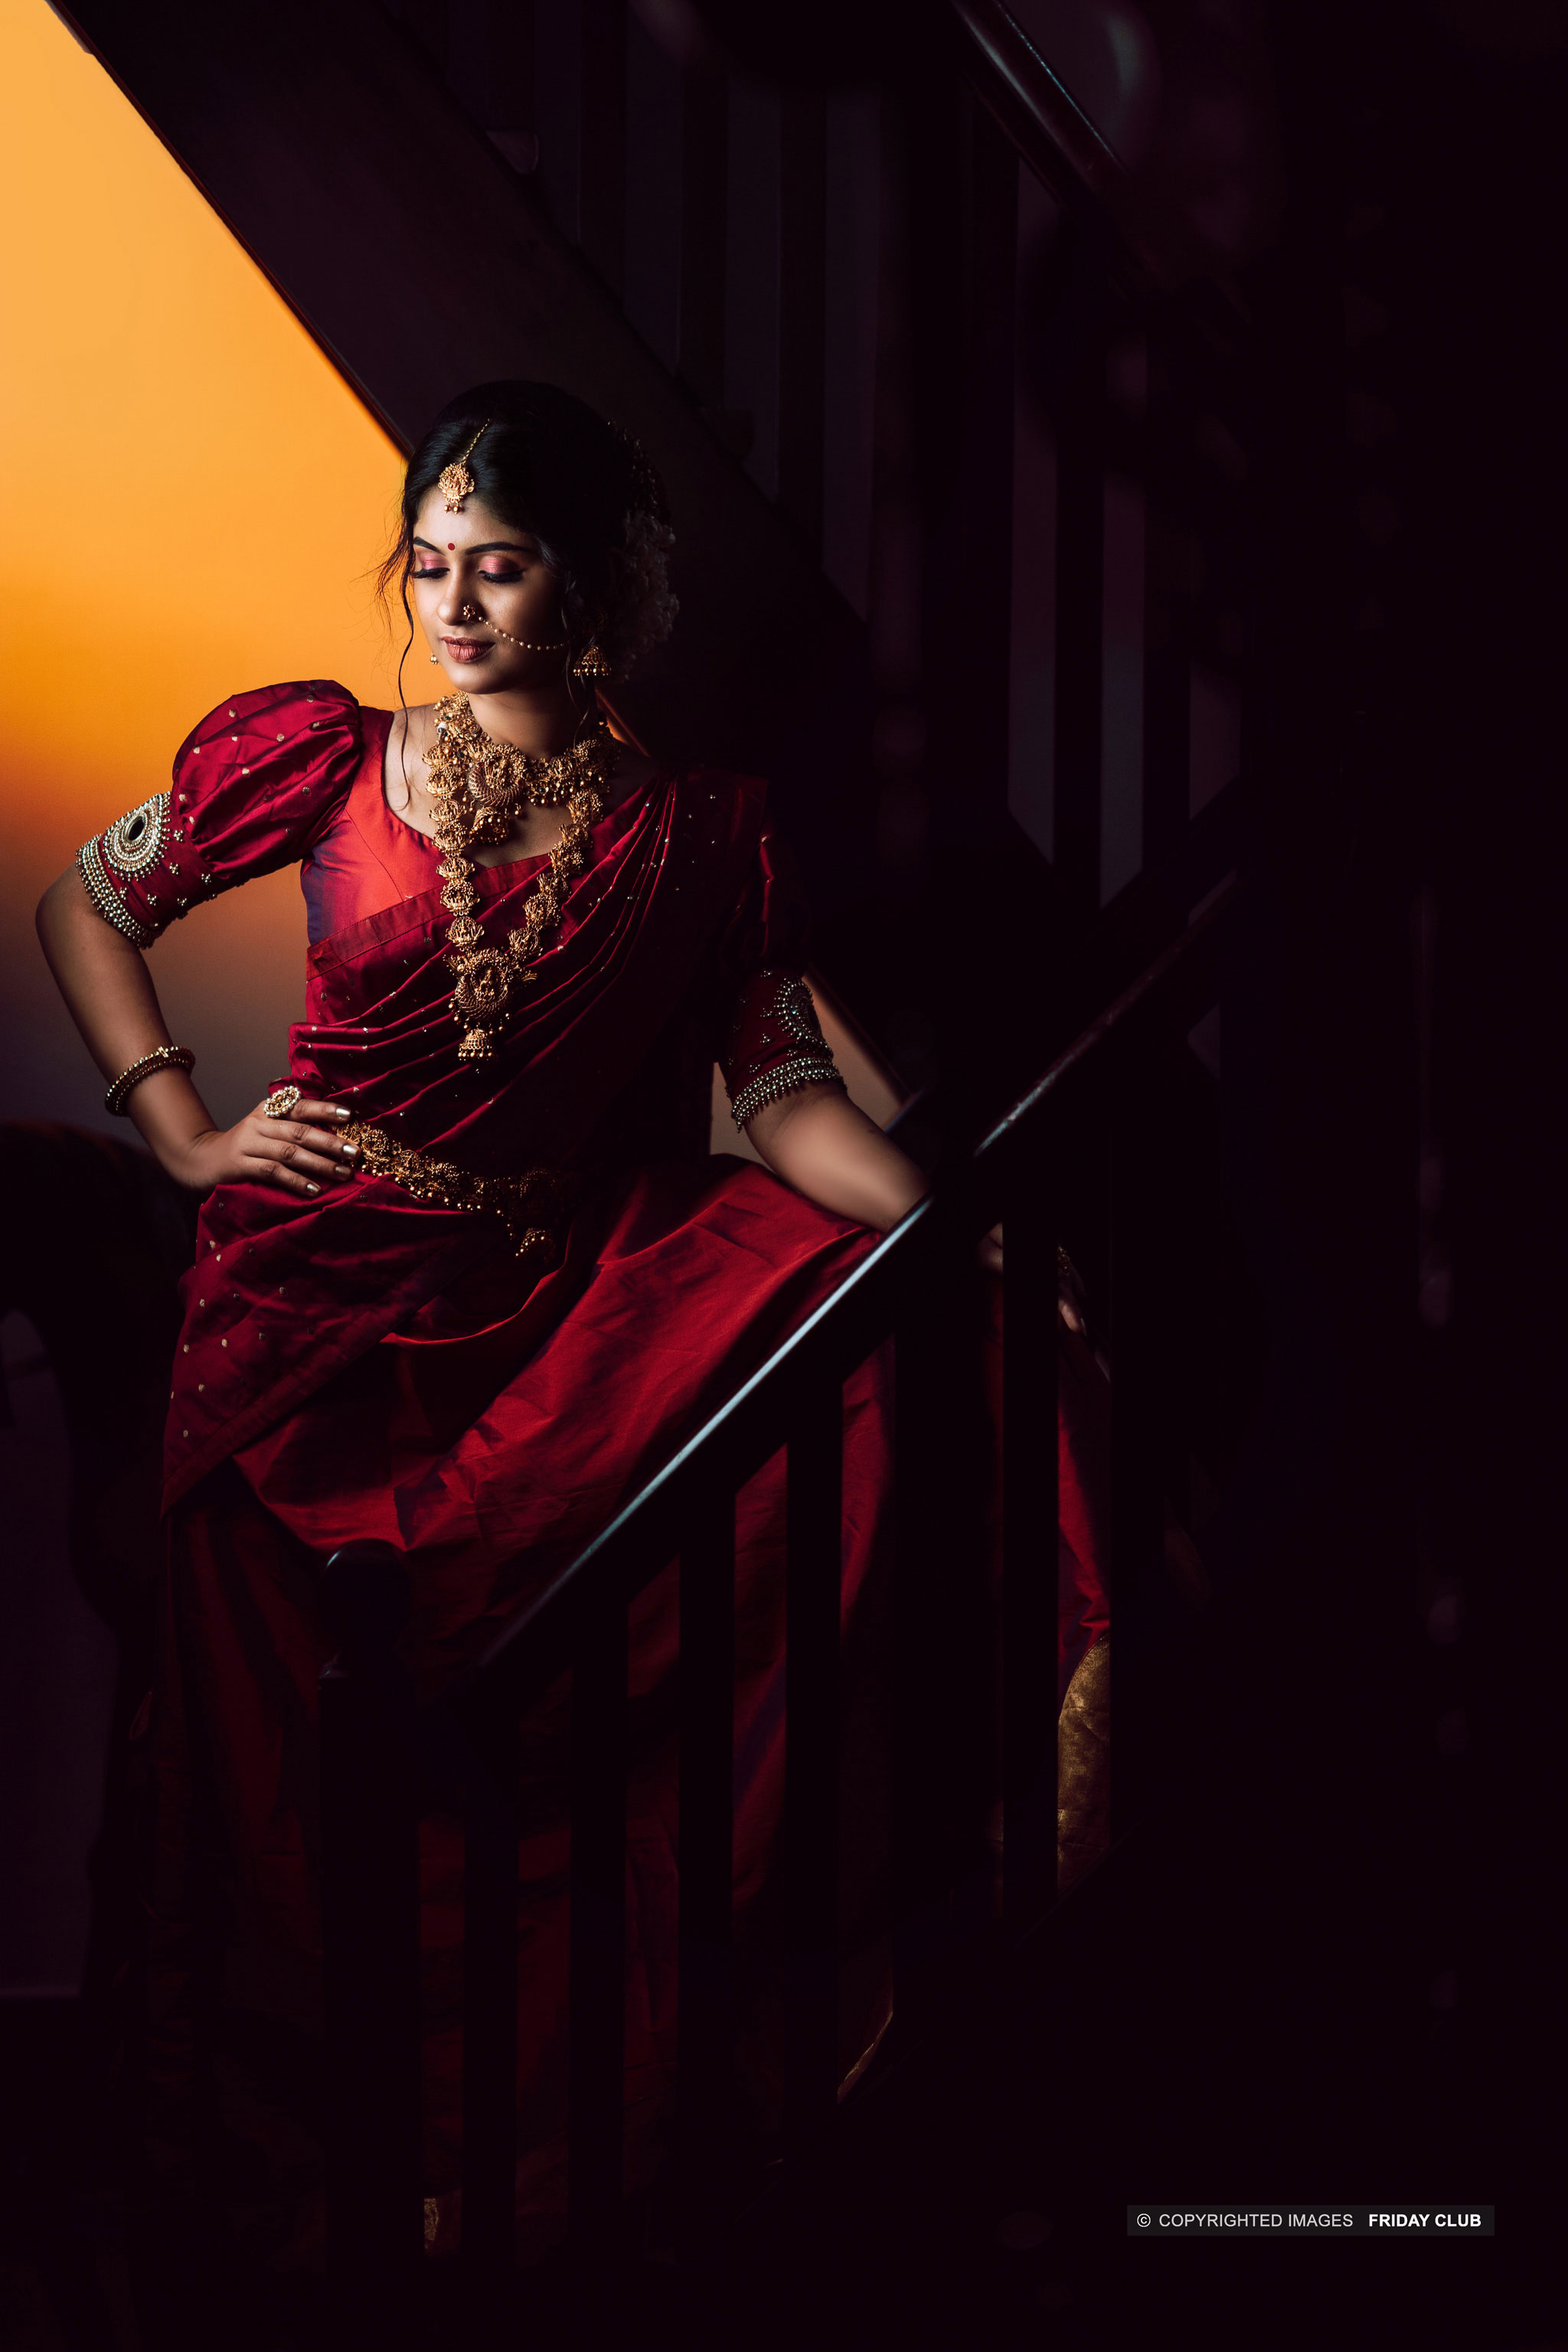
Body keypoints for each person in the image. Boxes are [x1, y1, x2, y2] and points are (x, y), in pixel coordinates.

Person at [35, 382, 940, 2267]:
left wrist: (947, 1223)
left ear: (591, 585)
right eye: (428, 562)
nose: (449, 605)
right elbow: (87, 905)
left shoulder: (701, 840)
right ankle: (306, 2175)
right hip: (295, 1323)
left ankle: (518, 2162)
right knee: (279, 1770)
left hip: (529, 1319)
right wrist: (180, 1127)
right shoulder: (319, 753)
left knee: (537, 1713)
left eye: (499, 567)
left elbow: (780, 1095)